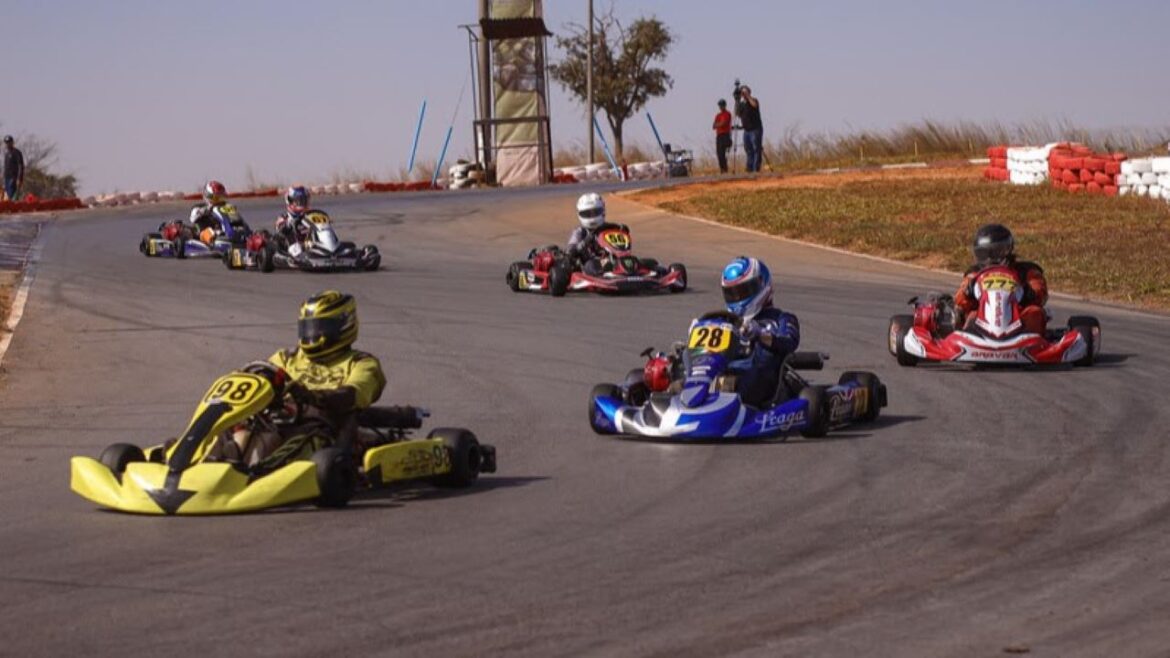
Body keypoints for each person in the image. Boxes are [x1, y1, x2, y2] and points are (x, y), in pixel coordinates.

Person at [216, 290, 387, 467]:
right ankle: (209, 462)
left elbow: (355, 394)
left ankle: (257, 470)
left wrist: (311, 396)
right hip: (273, 418)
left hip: (318, 425)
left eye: (321, 327)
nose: (313, 335)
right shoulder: (287, 357)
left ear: (344, 325)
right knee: (226, 426)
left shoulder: (361, 363)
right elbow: (258, 376)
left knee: (285, 439)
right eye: (309, 328)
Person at [718, 256, 800, 407]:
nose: (737, 298)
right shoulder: (725, 322)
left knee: (765, 355)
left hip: (761, 380)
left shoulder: (781, 318)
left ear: (762, 285)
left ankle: (732, 393)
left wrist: (760, 335)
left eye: (742, 292)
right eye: (732, 294)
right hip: (726, 371)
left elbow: (789, 342)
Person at [953, 223, 1048, 334]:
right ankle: (969, 340)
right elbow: (959, 300)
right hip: (984, 319)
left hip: (1017, 320)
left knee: (1035, 312)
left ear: (1007, 250)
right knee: (971, 315)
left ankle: (1031, 343)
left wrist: (1027, 292)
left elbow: (1040, 292)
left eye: (995, 252)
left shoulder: (1026, 271)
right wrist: (968, 291)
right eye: (985, 254)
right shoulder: (974, 275)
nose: (990, 258)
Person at [566, 192, 627, 276]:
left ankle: (627, 270)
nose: (592, 217)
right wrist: (586, 241)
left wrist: (622, 231)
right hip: (590, 263)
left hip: (612, 260)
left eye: (595, 212)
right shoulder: (580, 232)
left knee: (638, 262)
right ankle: (603, 275)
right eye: (587, 214)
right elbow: (570, 251)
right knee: (592, 265)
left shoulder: (611, 228)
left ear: (603, 211)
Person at [734, 85, 763, 173]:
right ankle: (749, 169)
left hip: (755, 129)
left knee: (756, 149)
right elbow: (737, 113)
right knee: (748, 150)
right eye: (742, 92)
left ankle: (756, 169)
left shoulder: (754, 100)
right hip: (746, 131)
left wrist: (748, 96)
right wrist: (737, 100)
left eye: (745, 92)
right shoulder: (742, 104)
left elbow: (754, 105)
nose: (743, 94)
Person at [713, 99, 733, 174]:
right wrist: (719, 124)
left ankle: (725, 169)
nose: (721, 107)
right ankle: (722, 169)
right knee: (719, 153)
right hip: (719, 136)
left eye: (722, 105)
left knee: (723, 153)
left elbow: (724, 123)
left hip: (725, 135)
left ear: (725, 105)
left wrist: (719, 124)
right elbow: (714, 125)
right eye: (720, 105)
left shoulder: (727, 114)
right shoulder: (718, 115)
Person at [2, 136, 25, 201]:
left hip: (13, 178)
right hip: (7, 178)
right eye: (6, 143)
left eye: (9, 142)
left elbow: (21, 166)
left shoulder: (17, 152)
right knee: (6, 196)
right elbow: (6, 167)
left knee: (12, 196)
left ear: (12, 142)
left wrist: (19, 178)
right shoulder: (6, 153)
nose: (8, 144)